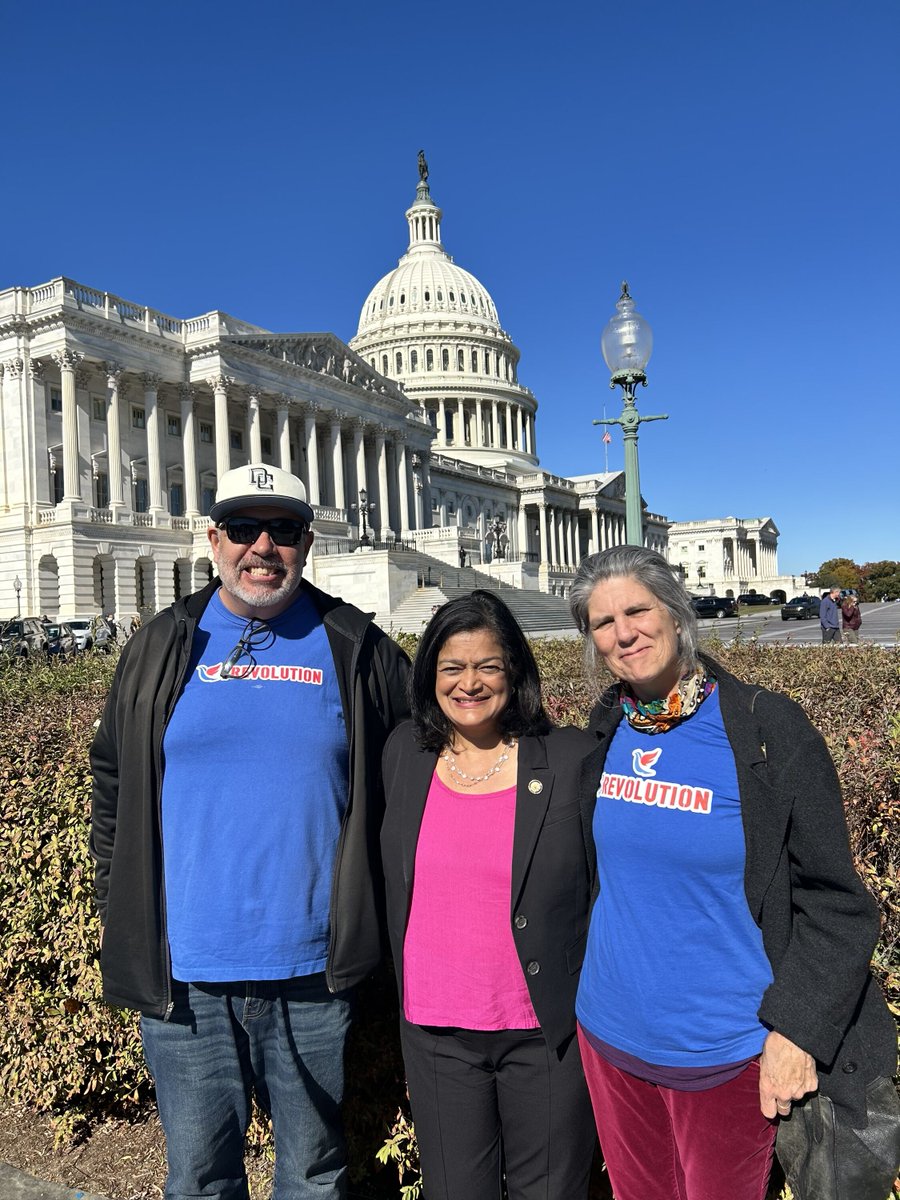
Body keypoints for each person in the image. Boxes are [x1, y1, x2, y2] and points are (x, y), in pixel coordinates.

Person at [90, 463, 410, 1200]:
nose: (262, 547)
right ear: (213, 539)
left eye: (284, 530)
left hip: (310, 969)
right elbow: (113, 779)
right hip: (186, 970)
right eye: (242, 528)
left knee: (313, 1175)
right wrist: (119, 900)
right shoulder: (164, 641)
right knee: (200, 1178)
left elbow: (422, 762)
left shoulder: (354, 647)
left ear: (307, 541)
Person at [567, 546, 896, 1200]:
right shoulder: (608, 727)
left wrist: (798, 1029)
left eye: (637, 610)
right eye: (602, 622)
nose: (623, 633)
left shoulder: (762, 729)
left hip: (727, 1055)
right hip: (610, 1039)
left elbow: (838, 903)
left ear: (677, 613)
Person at [380, 591, 597, 1200]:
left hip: (544, 1031)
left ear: (515, 672)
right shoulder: (405, 754)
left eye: (488, 666)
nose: (469, 683)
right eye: (452, 667)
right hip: (437, 1031)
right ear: (430, 676)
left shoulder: (570, 758)